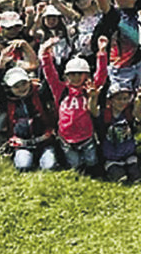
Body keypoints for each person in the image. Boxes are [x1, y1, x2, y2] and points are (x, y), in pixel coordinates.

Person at [39, 37, 107, 172]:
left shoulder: (89, 89)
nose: (76, 77)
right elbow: (50, 74)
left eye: (79, 74)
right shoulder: (61, 90)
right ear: (66, 76)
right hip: (66, 138)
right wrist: (46, 54)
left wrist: (102, 53)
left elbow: (101, 75)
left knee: (91, 162)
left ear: (86, 75)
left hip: (86, 137)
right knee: (74, 165)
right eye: (72, 74)